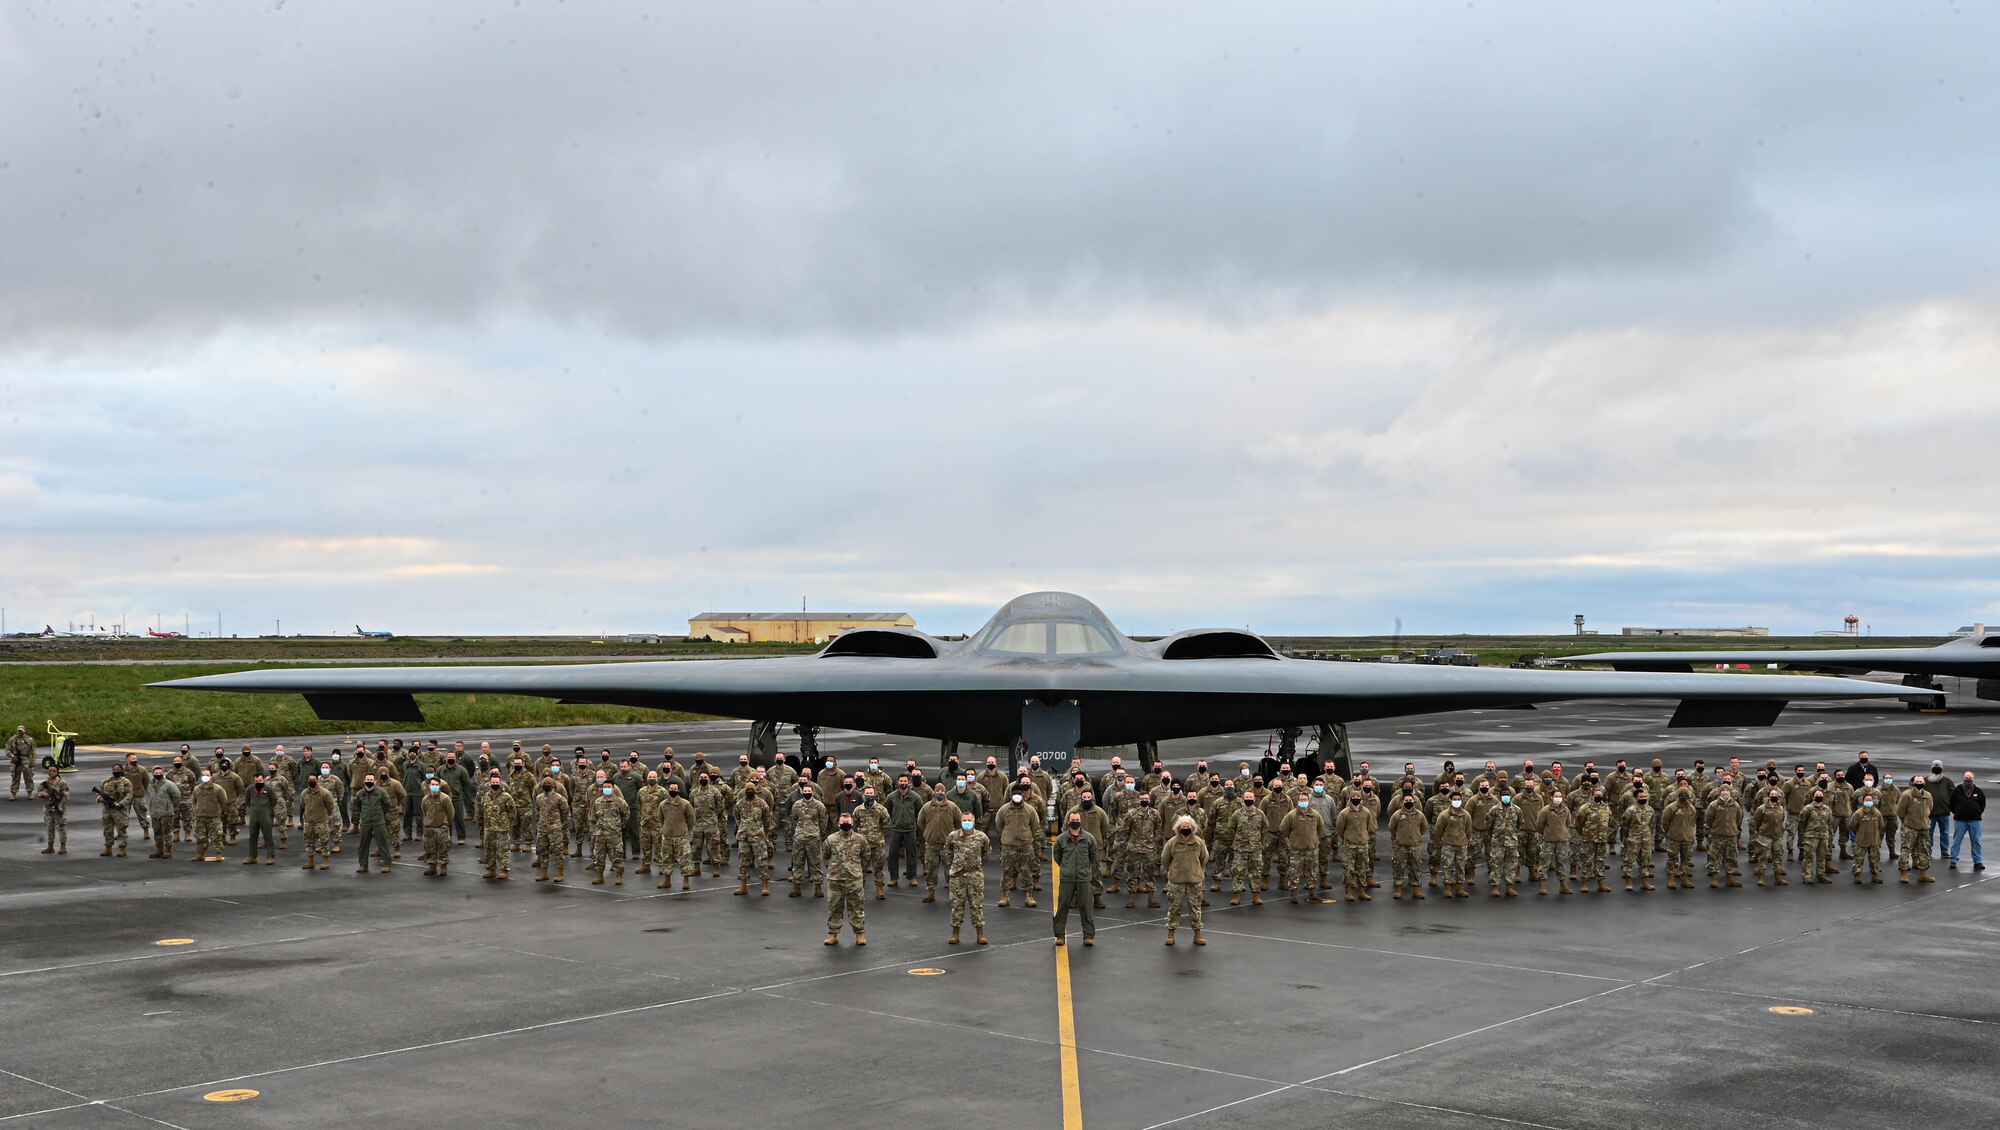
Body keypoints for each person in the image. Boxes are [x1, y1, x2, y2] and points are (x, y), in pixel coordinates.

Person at [1053, 813, 1100, 946]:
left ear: (1080, 821)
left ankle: (1088, 936)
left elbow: (1093, 856)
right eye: (1072, 820)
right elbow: (1057, 856)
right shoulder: (1062, 839)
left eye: (1077, 820)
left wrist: (1085, 869)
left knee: (1086, 907)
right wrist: (1067, 868)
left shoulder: (1089, 838)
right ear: (1068, 821)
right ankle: (1060, 935)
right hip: (1067, 878)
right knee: (1063, 906)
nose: (1075, 822)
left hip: (1084, 878)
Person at [1160, 816, 1208, 945]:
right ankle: (1171, 934)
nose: (1185, 830)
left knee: (1195, 908)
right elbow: (1165, 859)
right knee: (1174, 908)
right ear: (1178, 828)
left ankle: (1197, 935)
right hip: (1176, 882)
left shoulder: (1198, 842)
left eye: (1188, 828)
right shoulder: (1172, 843)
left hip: (1195, 881)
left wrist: (1198, 871)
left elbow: (1204, 858)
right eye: (1183, 827)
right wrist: (1173, 871)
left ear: (1193, 828)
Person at [945, 811, 990, 945]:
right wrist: (954, 866)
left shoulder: (981, 837)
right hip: (957, 876)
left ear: (974, 821)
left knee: (976, 905)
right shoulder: (953, 836)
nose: (967, 822)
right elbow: (948, 853)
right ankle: (955, 933)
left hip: (974, 876)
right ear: (961, 821)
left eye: (969, 820)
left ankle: (980, 933)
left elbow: (986, 853)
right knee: (957, 905)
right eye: (964, 820)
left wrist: (976, 866)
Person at [824, 816, 867, 946]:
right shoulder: (831, 840)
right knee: (834, 907)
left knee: (857, 907)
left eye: (848, 822)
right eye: (843, 822)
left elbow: (865, 857)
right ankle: (833, 934)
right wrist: (834, 869)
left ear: (852, 823)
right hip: (836, 880)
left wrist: (857, 870)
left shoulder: (860, 840)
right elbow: (825, 856)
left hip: (854, 879)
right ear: (838, 823)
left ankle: (859, 934)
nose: (845, 824)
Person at [997, 785, 1041, 908]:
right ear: (1011, 795)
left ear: (1023, 794)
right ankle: (1005, 896)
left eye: (1019, 793)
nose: (1017, 795)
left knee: (1027, 871)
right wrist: (1007, 837)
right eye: (1014, 793)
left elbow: (1035, 825)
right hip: (1009, 845)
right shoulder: (1004, 809)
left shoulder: (1030, 810)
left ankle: (1029, 896)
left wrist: (1027, 837)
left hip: (1025, 845)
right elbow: (999, 824)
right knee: (1007, 871)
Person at [918, 786, 959, 902]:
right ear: (934, 792)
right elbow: (920, 822)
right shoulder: (927, 807)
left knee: (950, 869)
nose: (940, 793)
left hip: (947, 844)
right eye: (938, 791)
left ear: (945, 793)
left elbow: (959, 822)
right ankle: (931, 892)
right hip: (931, 844)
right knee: (931, 869)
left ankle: (953, 892)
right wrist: (928, 832)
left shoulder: (952, 806)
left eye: (942, 791)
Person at [654, 781, 695, 891]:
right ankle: (667, 881)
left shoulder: (685, 804)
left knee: (684, 859)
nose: (673, 790)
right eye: (671, 788)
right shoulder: (663, 804)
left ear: (678, 790)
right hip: (667, 837)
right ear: (668, 790)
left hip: (680, 836)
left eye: (675, 789)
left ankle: (686, 880)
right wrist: (665, 828)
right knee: (666, 859)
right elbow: (660, 818)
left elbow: (691, 818)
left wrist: (685, 829)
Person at [885, 775, 923, 887]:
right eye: (901, 781)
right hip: (896, 829)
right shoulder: (891, 797)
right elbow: (888, 810)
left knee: (911, 854)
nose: (903, 783)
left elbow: (919, 812)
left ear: (909, 782)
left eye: (905, 781)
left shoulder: (915, 797)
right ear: (897, 782)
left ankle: (912, 877)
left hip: (910, 829)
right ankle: (893, 878)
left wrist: (914, 824)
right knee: (892, 854)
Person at [588, 779, 628, 885]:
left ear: (613, 788)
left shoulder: (620, 802)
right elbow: (593, 816)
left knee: (617, 855)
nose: (606, 789)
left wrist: (618, 826)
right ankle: (599, 876)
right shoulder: (598, 802)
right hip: (600, 833)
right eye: (605, 787)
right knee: (599, 855)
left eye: (609, 787)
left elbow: (626, 815)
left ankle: (619, 876)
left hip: (614, 834)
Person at [1899, 777, 1936, 884]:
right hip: (1910, 828)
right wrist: (1907, 822)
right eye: (1917, 782)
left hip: (1924, 828)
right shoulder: (1907, 795)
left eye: (1921, 782)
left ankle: (1923, 873)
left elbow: (1930, 808)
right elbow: (1901, 811)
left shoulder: (1928, 795)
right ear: (1913, 783)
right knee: (1906, 850)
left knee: (1924, 850)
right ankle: (1904, 873)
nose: (1919, 784)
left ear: (1924, 783)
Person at [536, 779, 572, 884]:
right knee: (543, 851)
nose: (546, 785)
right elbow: (538, 810)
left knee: (557, 851)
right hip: (542, 828)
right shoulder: (539, 798)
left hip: (555, 829)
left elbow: (566, 812)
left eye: (549, 784)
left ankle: (560, 873)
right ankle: (544, 873)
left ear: (553, 785)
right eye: (545, 784)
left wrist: (560, 824)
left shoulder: (559, 798)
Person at [299, 772, 336, 870]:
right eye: (310, 780)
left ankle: (325, 861)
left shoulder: (325, 793)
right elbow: (302, 804)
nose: (312, 781)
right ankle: (310, 861)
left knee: (323, 842)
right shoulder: (304, 793)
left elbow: (330, 806)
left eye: (313, 780)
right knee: (309, 842)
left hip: (321, 822)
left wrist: (324, 817)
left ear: (317, 780)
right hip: (308, 822)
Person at [1949, 771, 1985, 871]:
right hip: (1960, 820)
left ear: (1973, 779)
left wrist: (1977, 813)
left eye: (1970, 778)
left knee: (1976, 841)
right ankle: (1953, 860)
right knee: (1957, 841)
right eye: (1966, 778)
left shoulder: (1978, 791)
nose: (1968, 780)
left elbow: (1982, 805)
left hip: (1975, 820)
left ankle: (1978, 862)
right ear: (1963, 778)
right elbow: (1951, 804)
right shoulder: (1957, 790)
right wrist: (1957, 813)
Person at [96, 765, 134, 857]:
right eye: (114, 770)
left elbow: (129, 795)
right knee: (107, 830)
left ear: (121, 770)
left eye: (118, 770)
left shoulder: (126, 782)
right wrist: (100, 799)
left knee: (121, 830)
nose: (115, 771)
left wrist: (121, 803)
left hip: (120, 810)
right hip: (107, 810)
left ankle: (122, 849)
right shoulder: (106, 781)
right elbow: (100, 792)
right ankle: (108, 848)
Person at [145, 768, 182, 859]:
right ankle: (159, 850)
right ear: (152, 773)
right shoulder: (150, 785)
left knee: (167, 832)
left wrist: (169, 806)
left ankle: (167, 851)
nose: (158, 774)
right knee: (157, 832)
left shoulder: (169, 784)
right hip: (154, 813)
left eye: (160, 773)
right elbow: (148, 796)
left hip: (166, 813)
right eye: (156, 773)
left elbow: (177, 795)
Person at [420, 778, 454, 877]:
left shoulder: (445, 798)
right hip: (429, 828)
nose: (434, 786)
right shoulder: (425, 799)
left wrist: (446, 823)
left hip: (441, 828)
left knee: (443, 847)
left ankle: (443, 866)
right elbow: (424, 811)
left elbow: (450, 812)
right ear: (429, 786)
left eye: (436, 784)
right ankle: (432, 866)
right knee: (430, 848)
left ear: (439, 786)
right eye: (432, 784)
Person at [1849, 792, 1884, 885]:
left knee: (1875, 859)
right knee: (1858, 859)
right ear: (1863, 801)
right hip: (1861, 840)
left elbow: (1881, 826)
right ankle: (1857, 875)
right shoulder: (1858, 813)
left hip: (1874, 840)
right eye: (1867, 800)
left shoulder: (1877, 813)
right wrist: (1860, 833)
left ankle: (1875, 876)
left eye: (1870, 800)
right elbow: (1852, 825)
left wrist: (1878, 837)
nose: (1869, 802)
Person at [242, 775, 277, 865]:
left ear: (263, 780)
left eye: (260, 780)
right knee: (252, 835)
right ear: (254, 781)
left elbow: (274, 799)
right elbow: (247, 800)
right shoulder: (250, 789)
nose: (259, 782)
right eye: (257, 781)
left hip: (265, 814)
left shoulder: (268, 789)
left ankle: (270, 857)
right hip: (254, 815)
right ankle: (252, 856)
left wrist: (267, 808)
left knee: (268, 836)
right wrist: (253, 807)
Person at [36, 760, 69, 854]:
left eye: (54, 771)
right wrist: (42, 793)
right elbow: (39, 792)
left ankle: (63, 846)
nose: (51, 772)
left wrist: (59, 807)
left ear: (57, 772)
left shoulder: (62, 782)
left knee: (61, 826)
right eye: (50, 771)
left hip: (58, 807)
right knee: (49, 827)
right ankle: (50, 846)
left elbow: (65, 796)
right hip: (48, 807)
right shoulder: (45, 782)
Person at [7, 725, 34, 799]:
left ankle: (30, 792)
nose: (20, 732)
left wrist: (33, 761)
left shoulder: (29, 739)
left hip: (26, 759)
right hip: (16, 760)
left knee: (28, 776)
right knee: (15, 776)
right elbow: (7, 750)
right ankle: (13, 793)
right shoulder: (12, 739)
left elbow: (33, 751)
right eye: (19, 731)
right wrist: (12, 756)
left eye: (21, 731)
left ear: (24, 731)